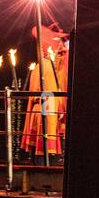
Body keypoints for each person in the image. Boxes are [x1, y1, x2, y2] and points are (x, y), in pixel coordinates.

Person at [20, 24, 69, 163]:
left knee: (42, 145)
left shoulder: (42, 66)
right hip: (46, 110)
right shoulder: (46, 67)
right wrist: (59, 108)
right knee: (45, 145)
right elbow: (47, 92)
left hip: (44, 110)